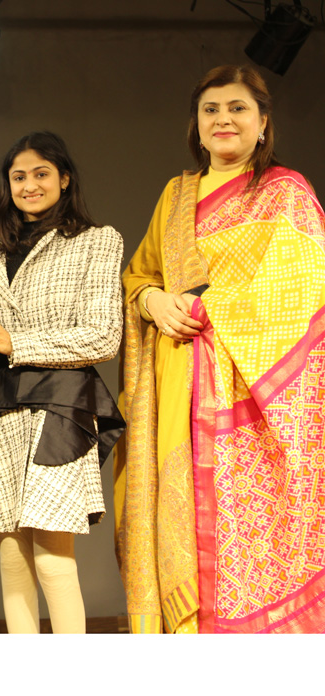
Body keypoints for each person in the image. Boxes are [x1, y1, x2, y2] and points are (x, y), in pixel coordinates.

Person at [115, 64, 325, 633]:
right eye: (211, 109)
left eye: (237, 108)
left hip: (252, 400)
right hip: (177, 384)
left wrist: (208, 309)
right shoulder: (176, 195)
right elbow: (139, 275)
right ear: (197, 124)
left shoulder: (286, 194)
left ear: (263, 123)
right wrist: (154, 301)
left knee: (249, 535)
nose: (223, 119)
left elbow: (300, 287)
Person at [0, 131, 125, 634]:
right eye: (18, 176)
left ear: (64, 179)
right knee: (11, 552)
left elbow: (103, 336)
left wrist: (16, 343)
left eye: (41, 174)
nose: (29, 185)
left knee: (51, 555)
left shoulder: (97, 241)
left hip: (60, 406)